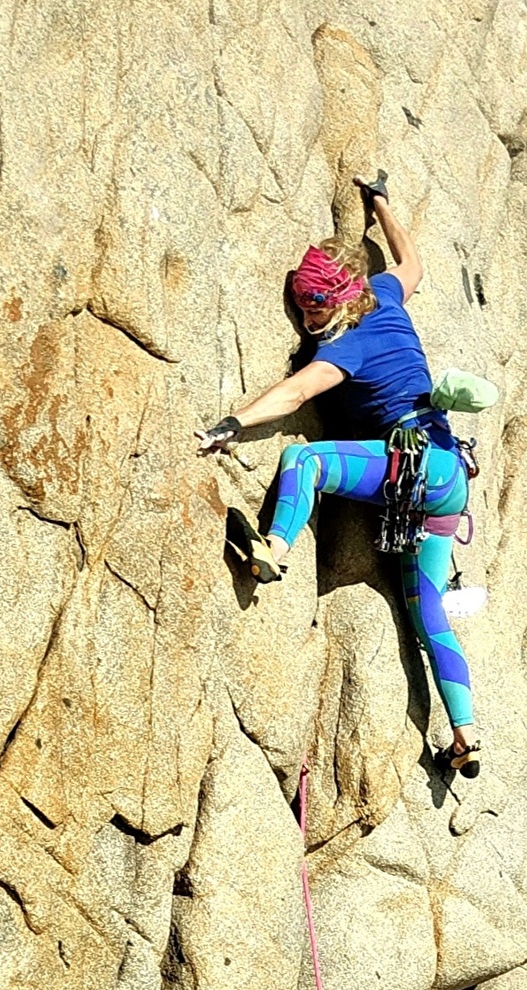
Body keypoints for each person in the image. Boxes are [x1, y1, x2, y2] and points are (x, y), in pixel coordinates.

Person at [196, 175, 480, 778]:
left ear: (345, 301)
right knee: (427, 611)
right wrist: (380, 203)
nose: (306, 314)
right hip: (449, 475)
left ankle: (274, 547)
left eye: (316, 304)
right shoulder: (386, 292)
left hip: (412, 467)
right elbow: (414, 262)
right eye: (301, 302)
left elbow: (298, 390)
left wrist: (233, 422)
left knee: (307, 460)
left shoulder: (346, 348)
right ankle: (465, 732)